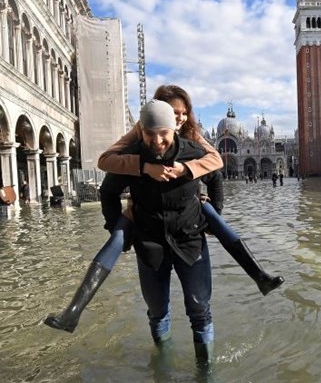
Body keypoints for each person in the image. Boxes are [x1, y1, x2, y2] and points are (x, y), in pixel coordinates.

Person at [44, 85, 282, 335]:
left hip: (189, 233)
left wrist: (188, 173)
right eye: (172, 112)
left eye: (182, 113)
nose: (177, 118)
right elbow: (107, 174)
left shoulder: (192, 140)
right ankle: (74, 312)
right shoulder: (137, 140)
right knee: (155, 309)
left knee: (201, 309)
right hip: (149, 237)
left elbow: (216, 167)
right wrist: (143, 168)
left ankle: (259, 276)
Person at [99, 100, 222, 364]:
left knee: (200, 310)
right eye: (149, 133)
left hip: (190, 242)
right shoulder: (132, 158)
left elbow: (215, 176)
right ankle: (162, 368)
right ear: (141, 132)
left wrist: (215, 217)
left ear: (174, 129)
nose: (157, 140)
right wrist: (117, 230)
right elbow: (107, 191)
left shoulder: (193, 151)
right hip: (149, 245)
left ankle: (205, 371)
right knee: (157, 311)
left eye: (163, 133)